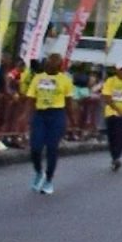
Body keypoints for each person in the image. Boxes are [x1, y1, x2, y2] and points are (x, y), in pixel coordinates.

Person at [24, 54, 75, 195]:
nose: (51, 67)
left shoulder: (65, 80)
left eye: (55, 65)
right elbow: (30, 98)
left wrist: (72, 120)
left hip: (57, 115)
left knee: (52, 147)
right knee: (35, 147)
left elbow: (69, 102)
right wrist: (24, 115)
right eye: (49, 64)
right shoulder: (38, 78)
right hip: (40, 115)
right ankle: (39, 172)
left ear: (59, 66)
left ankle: (49, 180)